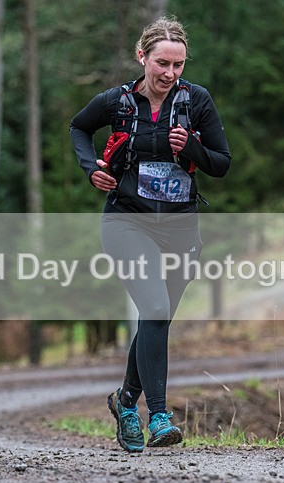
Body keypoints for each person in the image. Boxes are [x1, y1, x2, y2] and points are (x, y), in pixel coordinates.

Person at [69, 16, 231, 452]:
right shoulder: (117, 102)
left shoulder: (196, 101)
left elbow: (221, 163)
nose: (170, 73)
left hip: (180, 228)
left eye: (178, 65)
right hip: (127, 221)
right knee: (155, 308)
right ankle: (158, 415)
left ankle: (124, 402)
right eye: (162, 63)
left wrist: (191, 147)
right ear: (142, 56)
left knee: (156, 320)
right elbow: (78, 127)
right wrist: (91, 168)